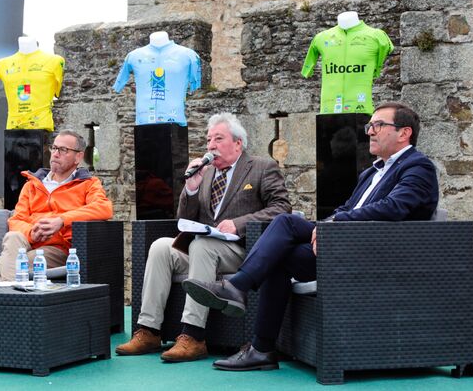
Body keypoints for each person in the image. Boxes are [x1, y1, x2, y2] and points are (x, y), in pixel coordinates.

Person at [182, 102, 439, 371]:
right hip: (347, 244)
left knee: (287, 221)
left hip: (380, 252)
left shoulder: (417, 166)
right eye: (369, 126)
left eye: (377, 126)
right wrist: (331, 222)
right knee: (279, 253)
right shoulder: (371, 172)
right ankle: (261, 348)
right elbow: (346, 208)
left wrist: (335, 222)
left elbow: (394, 207)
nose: (370, 132)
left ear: (404, 133)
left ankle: (238, 288)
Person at [116, 112, 291, 362]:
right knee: (160, 247)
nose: (211, 146)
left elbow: (282, 208)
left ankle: (193, 336)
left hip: (243, 250)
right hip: (205, 248)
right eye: (209, 140)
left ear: (237, 143)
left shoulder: (262, 167)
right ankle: (149, 330)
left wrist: (239, 223)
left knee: (202, 246)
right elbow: (183, 220)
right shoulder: (206, 173)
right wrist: (192, 187)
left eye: (218, 139)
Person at [0, 129, 113, 279]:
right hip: (28, 242)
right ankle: (12, 297)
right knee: (12, 237)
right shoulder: (32, 185)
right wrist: (32, 232)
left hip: (57, 248)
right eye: (55, 148)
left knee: (11, 262)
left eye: (63, 150)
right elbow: (17, 220)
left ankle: (6, 298)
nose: (56, 153)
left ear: (78, 156)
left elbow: (104, 208)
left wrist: (61, 221)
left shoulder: (88, 184)